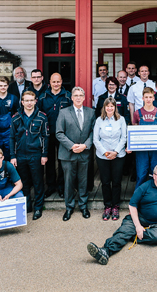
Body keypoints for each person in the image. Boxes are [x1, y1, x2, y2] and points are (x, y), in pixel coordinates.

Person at [86, 164, 157, 265]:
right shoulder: (145, 187)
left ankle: (128, 236)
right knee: (125, 231)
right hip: (139, 218)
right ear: (154, 176)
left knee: (156, 237)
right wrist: (138, 226)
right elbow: (132, 205)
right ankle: (105, 251)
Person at [56, 86, 95, 221]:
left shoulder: (91, 112)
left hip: (84, 152)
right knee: (69, 182)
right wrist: (72, 146)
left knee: (83, 181)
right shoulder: (64, 112)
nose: (78, 98)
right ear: (72, 98)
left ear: (84, 98)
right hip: (68, 153)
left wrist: (85, 145)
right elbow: (59, 133)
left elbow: (93, 131)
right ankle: (69, 207)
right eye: (76, 95)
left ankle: (83, 206)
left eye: (80, 95)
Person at [10, 90, 49, 220]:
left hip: (36, 154)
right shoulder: (15, 117)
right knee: (24, 182)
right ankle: (27, 206)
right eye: (26, 100)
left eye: (31, 100)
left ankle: (38, 207)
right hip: (20, 154)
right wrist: (12, 156)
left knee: (38, 181)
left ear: (35, 101)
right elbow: (11, 138)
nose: (29, 103)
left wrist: (44, 154)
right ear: (22, 102)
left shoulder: (42, 117)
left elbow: (45, 137)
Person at [93, 97, 128, 221]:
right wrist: (105, 152)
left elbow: (124, 137)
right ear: (104, 107)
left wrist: (116, 152)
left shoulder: (121, 120)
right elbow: (95, 139)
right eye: (107, 106)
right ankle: (107, 205)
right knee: (106, 181)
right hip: (103, 156)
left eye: (112, 106)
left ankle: (115, 206)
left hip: (118, 155)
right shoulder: (99, 120)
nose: (109, 108)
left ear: (115, 107)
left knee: (117, 181)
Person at [38, 73, 72, 196]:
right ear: (50, 82)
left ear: (62, 81)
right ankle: (51, 186)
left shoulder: (68, 97)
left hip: (64, 134)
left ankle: (61, 187)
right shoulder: (43, 97)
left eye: (58, 81)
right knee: (49, 161)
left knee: (62, 160)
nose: (56, 84)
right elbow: (39, 115)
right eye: (54, 82)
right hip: (48, 134)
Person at [131, 87, 157, 189]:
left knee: (155, 173)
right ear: (142, 98)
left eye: (150, 97)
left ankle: (154, 197)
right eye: (146, 97)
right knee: (141, 174)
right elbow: (134, 132)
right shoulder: (137, 113)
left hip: (156, 149)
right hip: (142, 149)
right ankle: (139, 198)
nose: (148, 99)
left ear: (153, 98)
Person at [0, 77, 19, 161]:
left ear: (8, 86)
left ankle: (8, 172)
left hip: (9, 131)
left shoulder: (14, 98)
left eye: (5, 85)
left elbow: (18, 115)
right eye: (1, 85)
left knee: (10, 153)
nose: (3, 87)